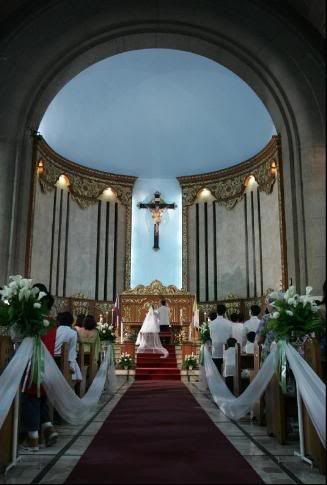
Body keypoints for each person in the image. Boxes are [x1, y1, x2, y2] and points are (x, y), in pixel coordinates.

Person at [21, 284, 58, 451]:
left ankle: (33, 439)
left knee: (30, 400)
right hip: (48, 367)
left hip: (34, 366)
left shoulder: (34, 322)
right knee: (41, 399)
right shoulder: (51, 322)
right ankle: (48, 429)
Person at [55, 312, 82, 382]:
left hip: (53, 358)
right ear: (71, 321)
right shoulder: (73, 332)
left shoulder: (55, 330)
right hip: (65, 360)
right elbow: (72, 350)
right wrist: (71, 365)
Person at [209, 305, 232, 374]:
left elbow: (211, 336)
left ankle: (218, 384)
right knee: (227, 372)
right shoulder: (229, 323)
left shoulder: (211, 323)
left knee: (217, 372)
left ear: (217, 311)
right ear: (225, 312)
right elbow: (231, 336)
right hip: (226, 348)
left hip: (215, 349)